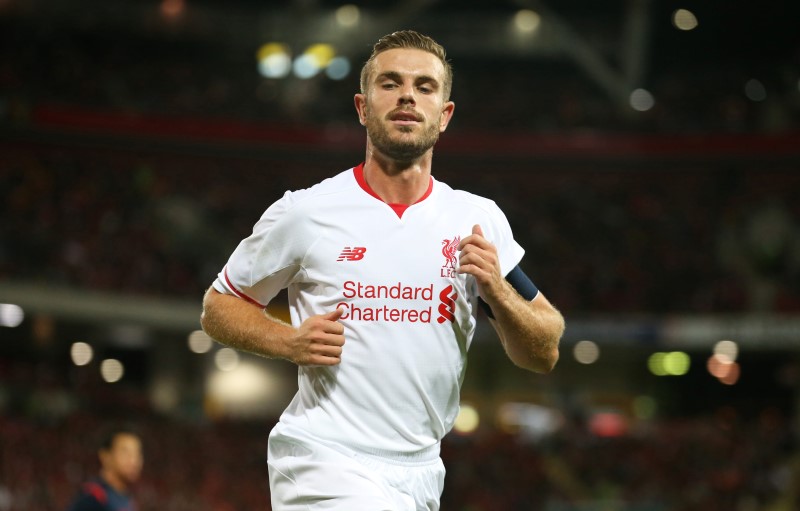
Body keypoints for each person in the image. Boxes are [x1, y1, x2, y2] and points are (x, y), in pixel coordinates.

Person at [200, 29, 565, 511]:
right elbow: (218, 307)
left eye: (425, 86)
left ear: (445, 115)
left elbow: (546, 348)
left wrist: (496, 290)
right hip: (323, 456)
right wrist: (286, 341)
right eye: (390, 83)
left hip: (422, 468)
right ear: (362, 107)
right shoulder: (306, 212)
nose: (408, 95)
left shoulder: (478, 220)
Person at [65, 428, 143, 511]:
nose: (134, 460)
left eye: (137, 453)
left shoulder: (126, 498)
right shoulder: (93, 497)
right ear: (105, 456)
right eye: (125, 452)